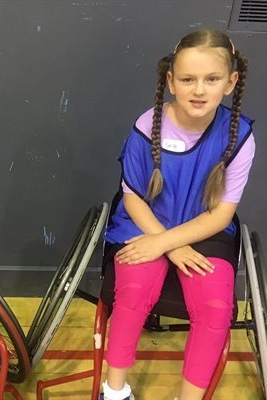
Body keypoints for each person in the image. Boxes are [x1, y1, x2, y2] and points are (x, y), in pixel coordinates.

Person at [102, 29, 255, 400]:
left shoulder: (240, 137)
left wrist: (170, 244)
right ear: (171, 82)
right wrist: (169, 246)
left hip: (205, 231)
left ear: (231, 82)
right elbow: (134, 199)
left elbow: (221, 216)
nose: (199, 90)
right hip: (146, 224)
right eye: (188, 79)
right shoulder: (145, 126)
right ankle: (114, 389)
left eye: (212, 79)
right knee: (133, 293)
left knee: (217, 310)